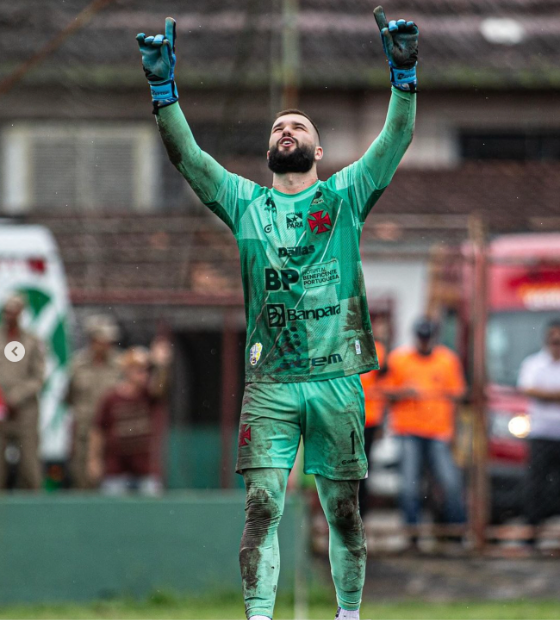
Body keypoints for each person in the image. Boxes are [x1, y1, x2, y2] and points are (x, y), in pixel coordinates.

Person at [136, 7, 417, 619]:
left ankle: (348, 613)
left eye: (299, 125)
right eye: (278, 126)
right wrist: (164, 96)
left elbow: (394, 141)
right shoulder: (244, 203)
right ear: (269, 148)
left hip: (337, 375)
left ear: (318, 147)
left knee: (343, 508)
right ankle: (259, 616)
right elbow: (189, 158)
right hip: (270, 384)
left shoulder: (344, 196)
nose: (287, 129)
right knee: (262, 505)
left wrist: (404, 79)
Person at [385, 318, 466, 545]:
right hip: (408, 430)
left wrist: (456, 432)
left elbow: (458, 394)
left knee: (450, 483)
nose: (424, 343)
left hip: (438, 431)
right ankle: (412, 536)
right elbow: (385, 392)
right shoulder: (400, 359)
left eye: (428, 338)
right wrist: (404, 392)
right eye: (421, 338)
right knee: (409, 485)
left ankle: (455, 533)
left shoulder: (447, 360)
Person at [88, 339, 172, 495]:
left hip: (144, 469)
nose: (144, 375)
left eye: (146, 370)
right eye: (139, 370)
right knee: (113, 512)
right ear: (127, 371)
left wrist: (161, 366)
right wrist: (94, 459)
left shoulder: (147, 395)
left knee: (151, 511)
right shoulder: (111, 398)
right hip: (116, 469)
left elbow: (160, 388)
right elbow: (98, 430)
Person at [66, 315, 121, 489]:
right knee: (82, 480)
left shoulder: (119, 365)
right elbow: (69, 398)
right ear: (93, 341)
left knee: (112, 482)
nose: (107, 345)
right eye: (103, 340)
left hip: (111, 433)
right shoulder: (77, 365)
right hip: (84, 432)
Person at [518, 319, 560, 543]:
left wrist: (546, 395)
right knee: (536, 485)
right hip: (541, 433)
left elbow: (538, 392)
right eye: (554, 339)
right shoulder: (534, 363)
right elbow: (529, 389)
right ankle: (531, 534)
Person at [0, 294, 46, 490]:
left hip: (25, 409)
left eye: (14, 311)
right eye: (7, 311)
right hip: (0, 407)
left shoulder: (32, 341)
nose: (10, 315)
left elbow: (38, 376)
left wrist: (16, 397)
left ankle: (34, 505)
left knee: (29, 461)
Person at [358, 338, 387, 516]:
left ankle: (361, 509)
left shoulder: (379, 349)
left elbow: (383, 383)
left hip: (369, 418)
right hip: (347, 416)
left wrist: (382, 420)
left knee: (364, 466)